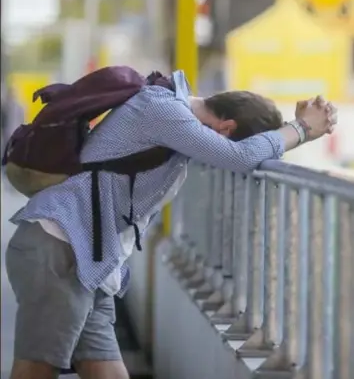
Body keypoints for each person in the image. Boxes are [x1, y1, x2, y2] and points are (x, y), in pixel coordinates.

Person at [5, 70, 337, 379]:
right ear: (227, 129)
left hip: (89, 261)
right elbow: (239, 157)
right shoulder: (162, 109)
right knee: (37, 368)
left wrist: (297, 129)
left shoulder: (174, 118)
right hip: (60, 249)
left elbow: (245, 153)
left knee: (106, 370)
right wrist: (302, 129)